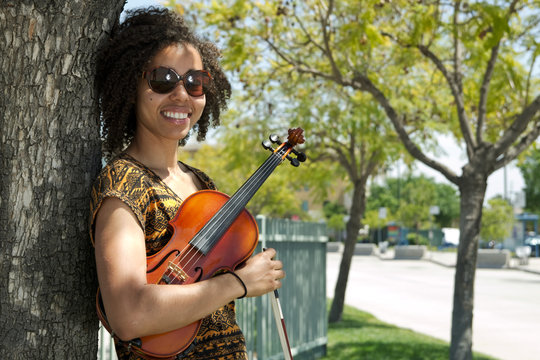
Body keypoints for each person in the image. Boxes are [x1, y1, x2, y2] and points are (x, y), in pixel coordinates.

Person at [90, 7, 285, 359]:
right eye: (163, 79)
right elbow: (129, 314)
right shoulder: (123, 182)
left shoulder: (201, 182)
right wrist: (238, 284)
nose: (181, 94)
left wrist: (254, 271)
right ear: (130, 87)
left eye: (194, 82)